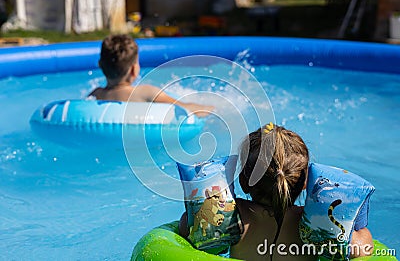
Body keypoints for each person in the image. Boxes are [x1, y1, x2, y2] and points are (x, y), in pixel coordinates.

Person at [179, 124, 373, 260]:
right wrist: (361, 229)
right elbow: (363, 248)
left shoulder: (234, 217)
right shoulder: (314, 224)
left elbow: (187, 228)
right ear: (305, 183)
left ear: (243, 182)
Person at [88, 34, 214, 117]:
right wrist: (210, 108)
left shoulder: (96, 94)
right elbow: (184, 109)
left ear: (101, 65)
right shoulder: (145, 92)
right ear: (133, 70)